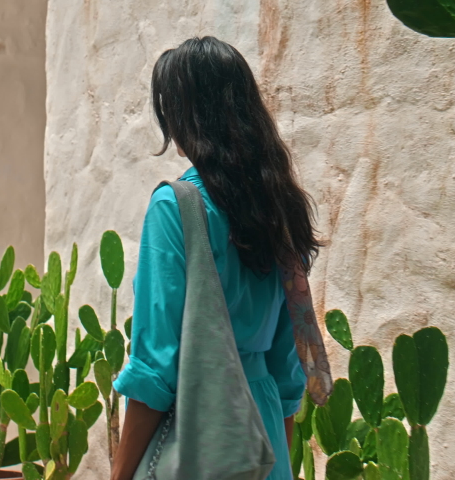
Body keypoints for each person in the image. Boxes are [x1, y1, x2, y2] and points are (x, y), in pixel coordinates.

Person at [111, 36, 321, 480]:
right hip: (261, 435)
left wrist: (119, 474)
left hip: (200, 428)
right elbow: (289, 365)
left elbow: (155, 366)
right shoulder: (279, 208)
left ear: (187, 115)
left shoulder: (177, 207)